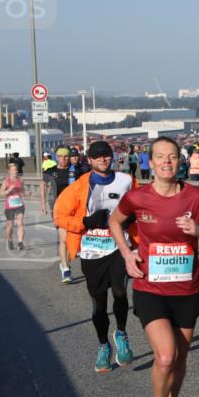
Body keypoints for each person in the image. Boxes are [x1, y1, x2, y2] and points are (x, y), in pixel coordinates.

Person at [109, 136, 199, 397]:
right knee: (165, 356)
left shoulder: (196, 197)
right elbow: (114, 221)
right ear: (151, 162)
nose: (167, 162)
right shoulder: (138, 197)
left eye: (172, 156)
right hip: (150, 288)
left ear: (179, 160)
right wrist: (127, 254)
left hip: (186, 290)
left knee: (180, 360)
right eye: (160, 157)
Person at [53, 140, 138, 372]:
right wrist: (85, 222)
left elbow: (141, 206)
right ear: (88, 160)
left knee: (120, 293)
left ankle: (121, 334)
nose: (102, 159)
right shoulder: (80, 186)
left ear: (113, 157)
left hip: (120, 247)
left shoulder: (127, 181)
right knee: (99, 304)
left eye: (106, 155)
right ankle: (103, 347)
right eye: (97, 156)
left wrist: (132, 218)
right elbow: (59, 216)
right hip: (92, 250)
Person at [42, 147, 79, 283]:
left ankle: (65, 264)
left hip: (75, 209)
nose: (63, 159)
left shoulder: (77, 170)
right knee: (63, 238)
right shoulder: (51, 171)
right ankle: (65, 269)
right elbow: (43, 184)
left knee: (73, 240)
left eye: (66, 156)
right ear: (56, 157)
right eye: (60, 156)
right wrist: (43, 202)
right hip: (59, 209)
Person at [0, 162, 26, 250]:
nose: (15, 171)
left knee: (20, 223)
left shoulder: (20, 180)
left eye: (16, 170)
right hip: (9, 206)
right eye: (13, 170)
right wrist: (8, 190)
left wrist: (26, 192)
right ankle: (9, 240)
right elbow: (1, 193)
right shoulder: (6, 181)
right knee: (10, 226)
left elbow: (22, 190)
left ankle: (20, 242)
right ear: (9, 171)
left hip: (19, 204)